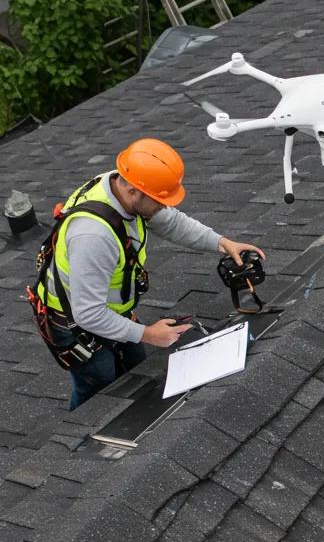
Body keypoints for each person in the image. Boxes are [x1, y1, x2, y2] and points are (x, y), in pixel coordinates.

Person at [33, 138, 265, 409]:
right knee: (98, 392)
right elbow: (88, 314)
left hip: (106, 309)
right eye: (158, 200)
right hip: (74, 323)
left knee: (137, 371)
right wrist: (147, 333)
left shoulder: (119, 184)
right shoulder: (93, 236)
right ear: (134, 192)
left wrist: (222, 243)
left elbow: (171, 222)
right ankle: (81, 440)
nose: (164, 206)